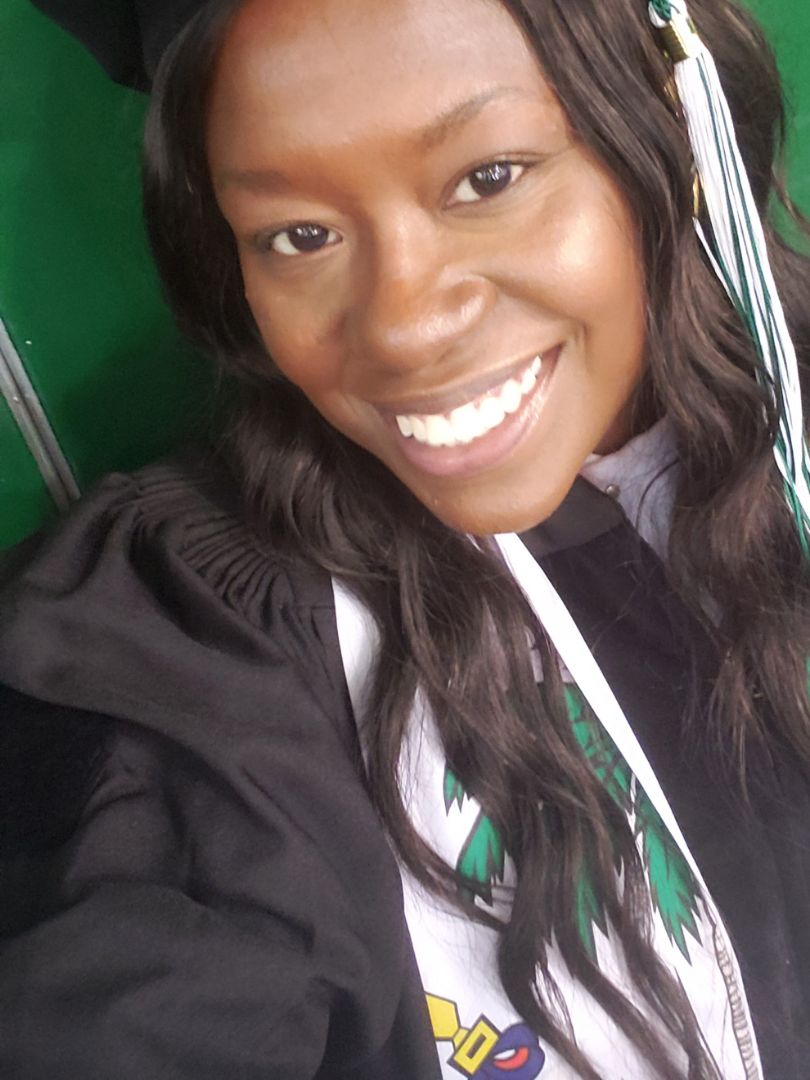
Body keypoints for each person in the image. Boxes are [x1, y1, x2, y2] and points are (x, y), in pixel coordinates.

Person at [1, 0, 809, 1076]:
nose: (401, 327)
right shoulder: (196, 639)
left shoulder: (784, 412)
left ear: (665, 125)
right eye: (300, 235)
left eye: (489, 177)